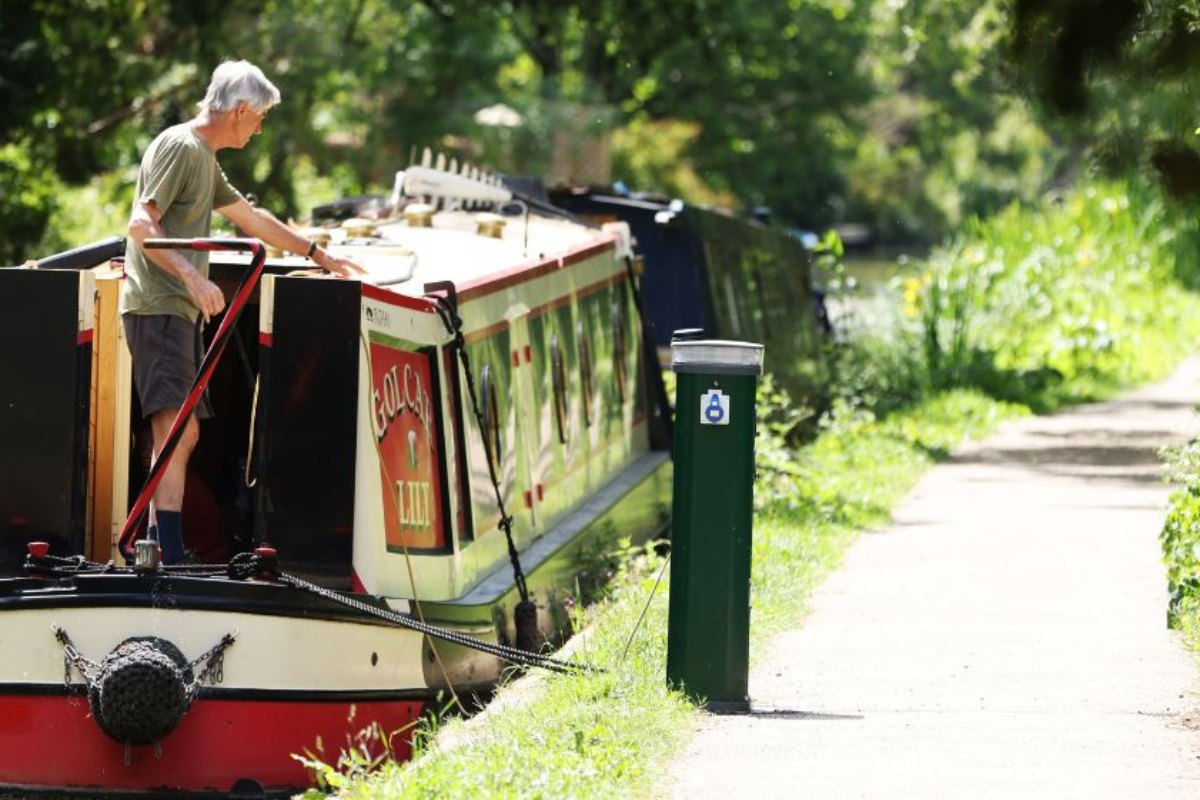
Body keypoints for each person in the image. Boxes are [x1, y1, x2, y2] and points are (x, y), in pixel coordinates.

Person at [121, 59, 365, 564]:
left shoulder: (203, 159)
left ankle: (156, 545)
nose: (260, 128)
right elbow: (140, 225)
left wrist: (318, 254)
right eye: (260, 118)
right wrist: (192, 276)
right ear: (241, 109)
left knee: (181, 433)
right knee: (173, 432)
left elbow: (252, 219)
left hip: (177, 311)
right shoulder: (180, 147)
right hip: (160, 307)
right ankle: (164, 552)